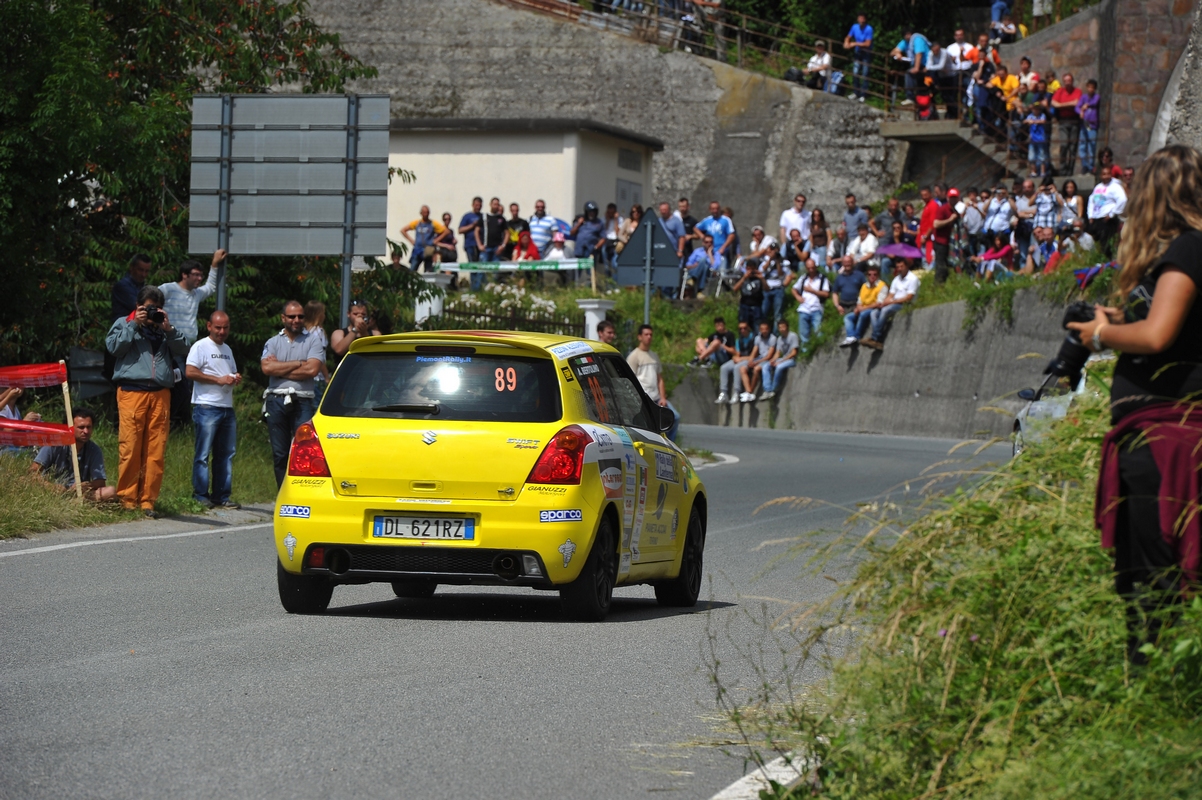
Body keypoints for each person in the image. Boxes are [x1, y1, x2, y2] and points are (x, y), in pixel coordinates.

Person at [1065, 145, 1202, 665]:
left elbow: (1161, 333)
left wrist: (1101, 335)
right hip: (1161, 434)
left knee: (1153, 581)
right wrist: (1121, 318)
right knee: (1150, 578)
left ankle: (1151, 689)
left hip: (1166, 439)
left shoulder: (1188, 249)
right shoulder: (1186, 254)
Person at [106, 285, 188, 517]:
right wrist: (135, 324)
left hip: (161, 393)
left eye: (157, 308)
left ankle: (148, 501)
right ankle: (127, 498)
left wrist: (168, 328)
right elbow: (113, 347)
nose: (152, 312)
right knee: (130, 447)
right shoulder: (124, 323)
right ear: (138, 306)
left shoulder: (164, 329)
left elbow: (183, 348)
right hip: (132, 392)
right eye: (148, 307)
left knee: (156, 450)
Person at [261, 300, 326, 487]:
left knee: (304, 450)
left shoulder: (313, 340)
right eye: (291, 316)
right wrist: (299, 363)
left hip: (302, 401)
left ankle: (301, 491)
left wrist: (279, 368)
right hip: (276, 399)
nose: (296, 320)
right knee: (280, 452)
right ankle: (283, 492)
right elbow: (266, 367)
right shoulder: (273, 342)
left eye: (300, 316)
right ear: (283, 318)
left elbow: (312, 370)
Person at [184, 311, 241, 509]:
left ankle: (221, 496)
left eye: (225, 327)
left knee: (226, 454)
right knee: (203, 454)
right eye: (218, 327)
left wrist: (234, 378)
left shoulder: (227, 349)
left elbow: (229, 373)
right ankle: (200, 495)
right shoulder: (200, 346)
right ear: (209, 326)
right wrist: (218, 379)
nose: (222, 331)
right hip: (207, 406)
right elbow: (190, 371)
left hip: (226, 406)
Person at [30, 407, 115, 501]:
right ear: (69, 428)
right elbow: (33, 472)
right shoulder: (54, 444)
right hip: (54, 491)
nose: (86, 431)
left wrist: (86, 486)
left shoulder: (94, 449)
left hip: (81, 493)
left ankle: (77, 502)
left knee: (110, 491)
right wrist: (50, 486)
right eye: (81, 427)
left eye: (89, 427)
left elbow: (100, 482)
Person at [627, 324, 679, 440]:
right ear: (639, 337)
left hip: (656, 398)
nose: (649, 337)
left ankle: (671, 444)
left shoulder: (654, 356)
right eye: (646, 334)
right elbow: (630, 380)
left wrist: (663, 397)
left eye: (651, 334)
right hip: (644, 400)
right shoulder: (634, 356)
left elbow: (659, 378)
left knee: (675, 417)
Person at [860, 258, 918, 351]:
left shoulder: (913, 279)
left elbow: (909, 297)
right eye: (897, 267)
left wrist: (891, 302)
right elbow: (891, 295)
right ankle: (876, 340)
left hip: (904, 304)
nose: (899, 269)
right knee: (874, 313)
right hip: (893, 302)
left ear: (907, 266)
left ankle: (875, 337)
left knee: (885, 310)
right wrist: (884, 302)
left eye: (901, 266)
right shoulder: (896, 279)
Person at [1087, 166, 1127, 258]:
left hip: (1107, 218)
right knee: (1096, 241)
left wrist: (1112, 214)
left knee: (1107, 243)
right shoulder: (1098, 187)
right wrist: (1090, 216)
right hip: (1097, 217)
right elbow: (1091, 200)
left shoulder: (1115, 186)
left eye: (1108, 174)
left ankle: (1107, 260)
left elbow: (1122, 200)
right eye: (1104, 174)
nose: (1106, 176)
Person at [843, 264, 887, 345]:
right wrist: (858, 308)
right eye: (869, 274)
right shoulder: (864, 286)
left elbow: (879, 303)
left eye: (875, 274)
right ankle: (850, 337)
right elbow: (860, 301)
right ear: (867, 275)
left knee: (862, 314)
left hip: (874, 309)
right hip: (864, 308)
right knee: (847, 317)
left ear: (878, 275)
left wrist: (863, 308)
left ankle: (857, 336)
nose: (872, 277)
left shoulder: (882, 286)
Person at [791, 259, 830, 348]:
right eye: (809, 268)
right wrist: (798, 297)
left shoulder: (822, 279)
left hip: (816, 308)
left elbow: (826, 294)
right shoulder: (803, 278)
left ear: (816, 267)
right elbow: (793, 289)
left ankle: (821, 348)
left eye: (812, 268)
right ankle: (806, 351)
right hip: (804, 308)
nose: (811, 270)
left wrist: (812, 291)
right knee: (803, 333)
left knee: (818, 331)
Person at [832, 255, 867, 346]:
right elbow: (835, 293)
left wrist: (860, 305)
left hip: (856, 304)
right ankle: (853, 338)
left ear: (852, 263)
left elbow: (865, 290)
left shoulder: (859, 275)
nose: (847, 264)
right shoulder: (839, 278)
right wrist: (837, 306)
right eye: (845, 262)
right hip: (844, 305)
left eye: (849, 262)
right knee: (846, 321)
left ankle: (854, 338)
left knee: (854, 319)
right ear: (842, 264)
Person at [716, 320, 754, 405]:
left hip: (750, 360)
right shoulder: (739, 340)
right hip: (741, 359)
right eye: (740, 329)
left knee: (737, 368)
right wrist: (736, 357)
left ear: (748, 328)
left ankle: (737, 392)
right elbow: (738, 353)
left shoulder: (754, 338)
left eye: (744, 328)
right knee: (724, 367)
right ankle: (723, 393)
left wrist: (741, 359)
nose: (742, 330)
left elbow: (755, 355)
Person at [1050, 73, 1082, 174]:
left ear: (1072, 81)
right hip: (1063, 121)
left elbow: (1076, 102)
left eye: (1069, 80)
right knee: (1064, 145)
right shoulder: (1060, 91)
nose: (1068, 83)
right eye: (1066, 81)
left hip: (1074, 121)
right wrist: (1068, 105)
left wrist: (1061, 105)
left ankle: (1070, 170)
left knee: (1073, 147)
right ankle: (1063, 170)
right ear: (1063, 82)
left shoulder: (1077, 91)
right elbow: (1054, 103)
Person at [738, 320, 777, 402]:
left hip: (767, 359)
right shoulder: (757, 338)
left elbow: (769, 356)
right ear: (759, 330)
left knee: (756, 369)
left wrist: (756, 362)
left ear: (769, 329)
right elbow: (754, 351)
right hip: (759, 358)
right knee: (742, 369)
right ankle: (748, 392)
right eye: (762, 329)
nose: (764, 331)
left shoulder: (773, 338)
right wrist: (751, 360)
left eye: (766, 329)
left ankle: (750, 392)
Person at [760, 319, 799, 400]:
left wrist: (781, 361)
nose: (782, 329)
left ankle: (774, 389)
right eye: (780, 327)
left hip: (792, 359)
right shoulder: (780, 339)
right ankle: (767, 390)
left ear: (787, 327)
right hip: (784, 358)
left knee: (779, 367)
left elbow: (793, 353)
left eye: (783, 327)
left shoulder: (793, 336)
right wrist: (773, 360)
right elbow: (777, 353)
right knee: (765, 366)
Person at [926, 183, 958, 283]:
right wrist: (949, 220)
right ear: (948, 198)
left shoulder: (956, 209)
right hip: (941, 242)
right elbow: (935, 224)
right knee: (941, 266)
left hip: (950, 241)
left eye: (955, 198)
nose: (953, 200)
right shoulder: (943, 209)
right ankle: (938, 285)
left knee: (950, 265)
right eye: (951, 198)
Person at [401, 206, 447, 272]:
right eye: (424, 212)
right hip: (417, 249)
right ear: (421, 213)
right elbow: (403, 230)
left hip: (428, 250)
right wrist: (411, 240)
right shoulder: (417, 223)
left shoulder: (433, 223)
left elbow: (446, 231)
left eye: (427, 212)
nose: (426, 214)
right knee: (412, 269)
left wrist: (436, 240)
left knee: (428, 270)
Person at [694, 201, 735, 271]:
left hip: (720, 252)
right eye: (713, 209)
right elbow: (695, 228)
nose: (715, 211)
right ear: (710, 210)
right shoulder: (707, 220)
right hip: (708, 252)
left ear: (719, 209)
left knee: (721, 273)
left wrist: (723, 247)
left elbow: (732, 235)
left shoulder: (726, 220)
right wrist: (702, 237)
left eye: (717, 209)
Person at [570, 202, 606, 280]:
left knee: (590, 272)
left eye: (593, 211)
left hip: (590, 250)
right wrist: (579, 223)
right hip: (579, 250)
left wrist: (596, 247)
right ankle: (574, 287)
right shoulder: (580, 220)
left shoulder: (599, 223)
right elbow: (572, 233)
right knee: (576, 272)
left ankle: (590, 288)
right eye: (590, 211)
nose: (592, 213)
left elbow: (603, 238)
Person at [112, 253, 152, 321]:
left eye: (147, 271)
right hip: (124, 327)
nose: (143, 275)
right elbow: (139, 306)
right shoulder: (122, 285)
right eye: (140, 270)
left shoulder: (144, 286)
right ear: (131, 267)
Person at [843, 13, 873, 101]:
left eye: (862, 18)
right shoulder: (854, 27)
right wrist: (846, 42)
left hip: (866, 53)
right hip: (858, 52)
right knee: (855, 72)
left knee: (865, 73)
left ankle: (863, 94)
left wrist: (854, 43)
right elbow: (848, 36)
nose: (861, 20)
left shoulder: (869, 29)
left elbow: (868, 43)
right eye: (859, 18)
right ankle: (856, 92)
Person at [760, 244, 791, 324]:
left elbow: (781, 274)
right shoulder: (764, 259)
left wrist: (778, 262)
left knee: (778, 313)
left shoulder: (783, 261)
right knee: (763, 311)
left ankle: (776, 333)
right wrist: (770, 259)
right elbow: (763, 270)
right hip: (767, 288)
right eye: (771, 250)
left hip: (778, 288)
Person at [459, 196, 485, 290]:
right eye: (476, 205)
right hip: (470, 245)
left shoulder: (483, 217)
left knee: (481, 267)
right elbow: (460, 230)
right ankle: (474, 288)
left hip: (481, 246)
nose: (478, 207)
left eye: (480, 205)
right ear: (473, 205)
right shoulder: (467, 216)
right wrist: (472, 226)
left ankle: (480, 287)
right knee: (473, 267)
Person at [1076, 80, 1101, 174]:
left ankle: (1091, 166)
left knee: (1092, 146)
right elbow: (1077, 107)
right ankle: (1084, 165)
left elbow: (1095, 102)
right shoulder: (1083, 97)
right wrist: (1081, 112)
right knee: (1082, 146)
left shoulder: (1096, 97)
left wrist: (1087, 105)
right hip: (1084, 125)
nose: (1090, 89)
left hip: (1092, 125)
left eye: (1092, 87)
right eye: (1089, 87)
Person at [732, 259, 765, 329]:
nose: (750, 271)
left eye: (752, 269)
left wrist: (762, 279)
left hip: (756, 305)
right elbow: (735, 289)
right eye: (748, 269)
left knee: (757, 326)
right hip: (744, 305)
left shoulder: (759, 278)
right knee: (744, 326)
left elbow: (767, 289)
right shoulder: (742, 277)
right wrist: (744, 278)